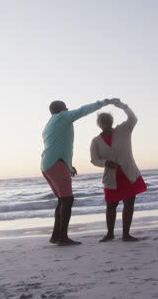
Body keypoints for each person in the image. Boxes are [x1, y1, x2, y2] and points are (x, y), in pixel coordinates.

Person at [41, 98, 120, 246]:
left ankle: (56, 236)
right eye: (65, 107)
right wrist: (103, 103)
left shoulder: (49, 124)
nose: (67, 109)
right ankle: (62, 238)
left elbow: (59, 145)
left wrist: (69, 166)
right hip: (56, 164)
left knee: (62, 200)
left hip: (48, 164)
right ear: (61, 109)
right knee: (67, 200)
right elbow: (83, 110)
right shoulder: (62, 117)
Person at [90, 100, 147, 242]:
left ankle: (126, 234)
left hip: (129, 173)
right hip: (111, 177)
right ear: (99, 124)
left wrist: (123, 106)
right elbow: (94, 159)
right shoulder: (96, 141)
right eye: (103, 121)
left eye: (108, 120)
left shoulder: (124, 129)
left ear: (111, 121)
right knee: (111, 205)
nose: (106, 123)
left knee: (129, 203)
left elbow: (133, 118)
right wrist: (105, 163)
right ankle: (110, 233)